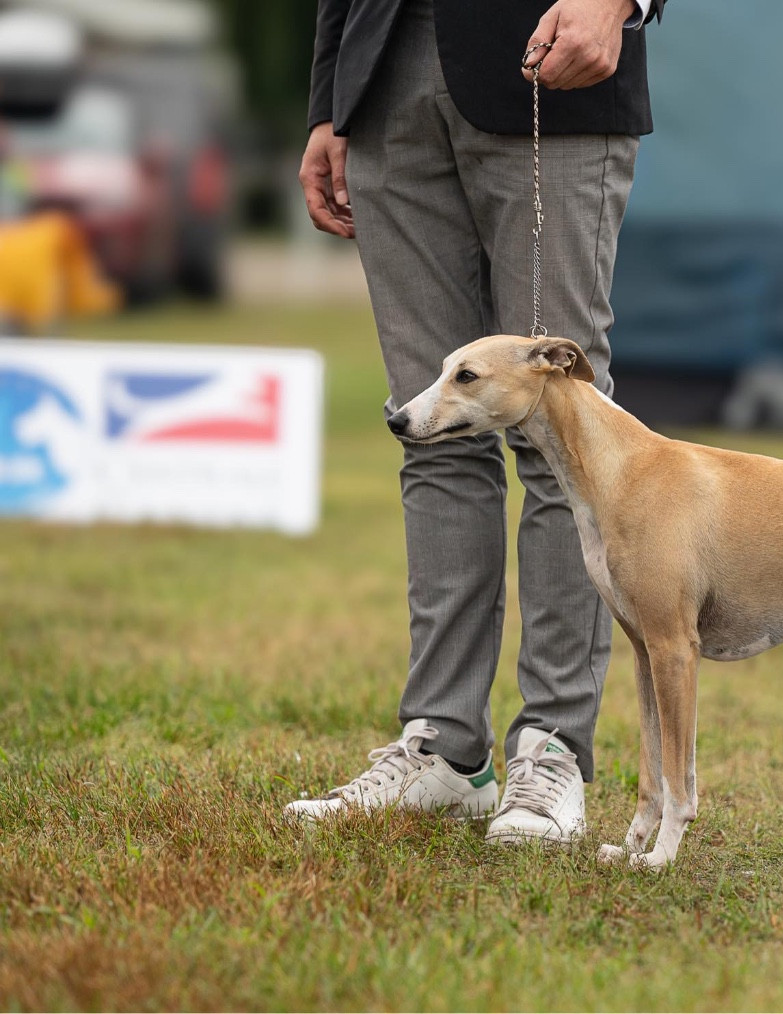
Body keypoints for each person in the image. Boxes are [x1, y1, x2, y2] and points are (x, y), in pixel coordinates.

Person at [284, 0, 665, 844]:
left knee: (566, 434)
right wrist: (329, 101)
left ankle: (552, 747)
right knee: (431, 429)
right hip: (385, 77)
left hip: (550, 63)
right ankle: (444, 748)